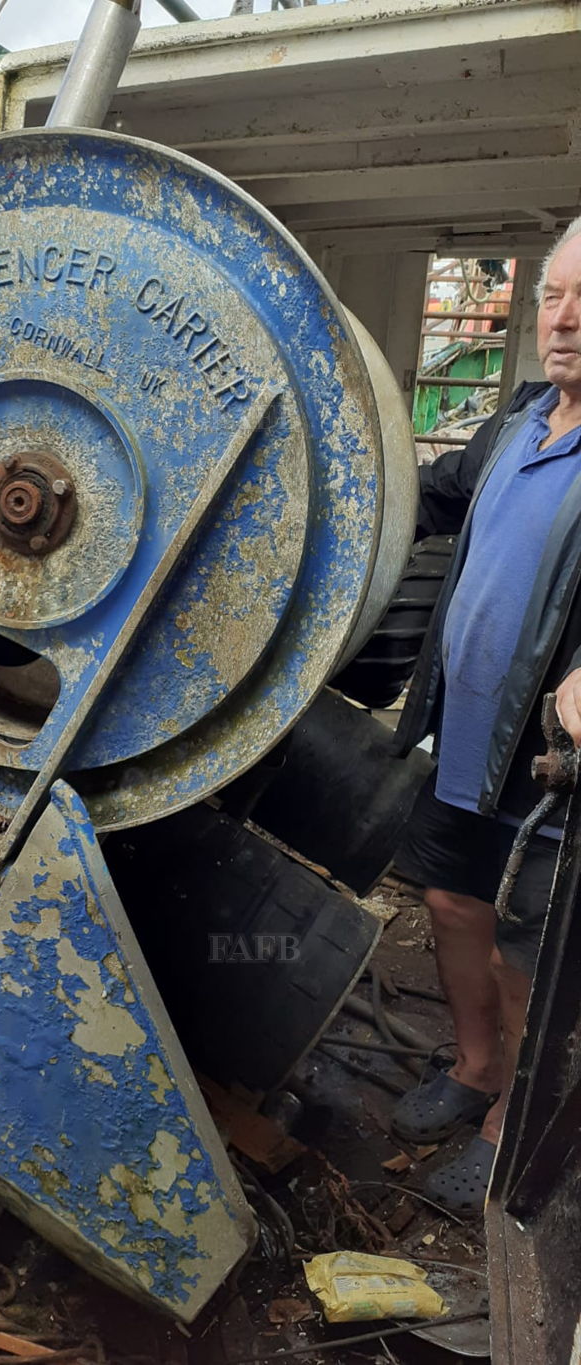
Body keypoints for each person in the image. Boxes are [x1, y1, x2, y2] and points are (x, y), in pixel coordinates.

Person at [390, 218, 581, 1212]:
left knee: (524, 941)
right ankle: (471, 1069)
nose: (563, 317)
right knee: (452, 902)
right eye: (551, 294)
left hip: (548, 756)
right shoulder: (511, 428)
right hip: (463, 725)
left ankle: (515, 1119)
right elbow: (419, 499)